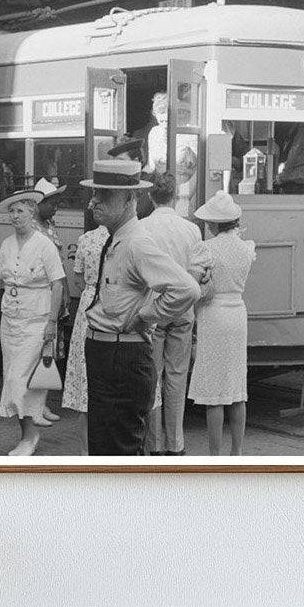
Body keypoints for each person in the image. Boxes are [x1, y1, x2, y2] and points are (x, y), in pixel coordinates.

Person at [82, 159, 202, 456]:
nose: (93, 202)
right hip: (107, 352)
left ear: (129, 199)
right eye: (95, 193)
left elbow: (187, 289)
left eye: (104, 195)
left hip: (122, 356)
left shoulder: (136, 243)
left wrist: (144, 317)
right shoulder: (118, 239)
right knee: (104, 449)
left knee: (120, 451)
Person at [0, 189, 65, 456]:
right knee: (14, 378)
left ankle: (29, 437)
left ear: (31, 212)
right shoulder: (8, 244)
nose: (14, 216)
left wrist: (52, 323)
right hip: (10, 322)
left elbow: (57, 285)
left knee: (18, 378)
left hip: (36, 321)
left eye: (19, 211)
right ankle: (27, 435)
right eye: (11, 211)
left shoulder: (44, 244)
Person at [187, 190, 256, 456]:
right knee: (237, 387)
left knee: (214, 392)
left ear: (215, 223)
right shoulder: (246, 247)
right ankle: (237, 451)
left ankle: (214, 454)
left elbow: (192, 283)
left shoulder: (207, 249)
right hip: (238, 312)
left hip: (213, 314)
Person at [137, 172, 201, 455]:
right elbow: (197, 271)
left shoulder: (141, 228)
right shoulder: (191, 230)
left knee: (153, 376)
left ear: (150, 196)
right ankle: (176, 444)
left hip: (152, 308)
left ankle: (154, 444)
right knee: (177, 375)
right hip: (183, 309)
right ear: (176, 196)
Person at [61, 220, 109, 418]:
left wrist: (90, 290)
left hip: (88, 301)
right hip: (112, 299)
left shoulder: (85, 239)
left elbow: (77, 279)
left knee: (84, 356)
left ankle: (84, 401)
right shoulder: (125, 238)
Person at [33, 177, 68, 423]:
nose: (56, 207)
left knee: (49, 352)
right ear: (39, 204)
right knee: (39, 351)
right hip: (41, 298)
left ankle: (41, 403)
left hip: (54, 296)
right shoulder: (34, 230)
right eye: (52, 202)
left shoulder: (48, 225)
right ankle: (35, 406)